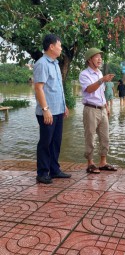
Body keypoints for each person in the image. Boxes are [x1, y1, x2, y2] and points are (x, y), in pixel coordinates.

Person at [33, 34, 71, 184]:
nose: (61, 48)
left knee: (56, 141)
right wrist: (45, 109)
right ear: (51, 46)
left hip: (58, 109)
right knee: (45, 142)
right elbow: (39, 88)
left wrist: (64, 106)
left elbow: (56, 88)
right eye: (60, 45)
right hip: (47, 112)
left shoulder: (54, 63)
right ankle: (42, 173)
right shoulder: (42, 63)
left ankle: (54, 170)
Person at [79, 47, 117, 174]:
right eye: (97, 57)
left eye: (100, 56)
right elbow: (89, 89)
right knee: (90, 136)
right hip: (90, 109)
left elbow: (102, 92)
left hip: (102, 109)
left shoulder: (100, 73)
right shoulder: (84, 74)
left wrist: (107, 107)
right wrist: (102, 80)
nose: (100, 59)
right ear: (90, 60)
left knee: (105, 137)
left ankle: (103, 162)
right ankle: (90, 163)